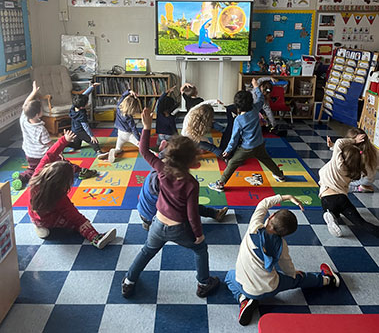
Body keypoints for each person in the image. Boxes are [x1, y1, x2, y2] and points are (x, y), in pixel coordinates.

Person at [122, 108, 220, 299]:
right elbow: (192, 215)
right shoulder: (191, 183)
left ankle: (128, 282)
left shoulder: (161, 168)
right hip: (179, 229)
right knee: (201, 250)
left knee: (146, 251)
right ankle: (203, 283)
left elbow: (143, 150)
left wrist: (147, 127)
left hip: (157, 224)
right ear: (191, 161)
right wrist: (198, 235)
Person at [225, 194, 340, 326]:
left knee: (229, 276)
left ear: (271, 216)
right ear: (284, 234)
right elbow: (288, 268)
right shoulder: (281, 245)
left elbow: (263, 203)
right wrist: (294, 273)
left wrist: (288, 197)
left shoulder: (254, 227)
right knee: (298, 279)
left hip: (245, 286)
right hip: (271, 286)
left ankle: (243, 298)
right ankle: (327, 279)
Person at [28, 129, 116, 248]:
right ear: (63, 183)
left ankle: (39, 226)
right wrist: (86, 224)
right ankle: (96, 238)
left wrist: (64, 140)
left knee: (63, 217)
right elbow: (73, 214)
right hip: (50, 221)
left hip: (35, 216)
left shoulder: (37, 174)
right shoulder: (58, 197)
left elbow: (50, 155)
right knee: (74, 222)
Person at [12, 81, 96, 191]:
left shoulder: (23, 119)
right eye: (41, 109)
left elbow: (25, 104)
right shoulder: (41, 129)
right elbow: (50, 145)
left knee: (35, 168)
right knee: (64, 164)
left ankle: (22, 177)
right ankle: (81, 171)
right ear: (38, 114)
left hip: (29, 154)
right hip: (43, 154)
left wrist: (33, 92)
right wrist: (59, 152)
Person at [208, 79, 285, 192]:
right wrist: (255, 87)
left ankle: (220, 184)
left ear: (237, 105)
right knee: (267, 160)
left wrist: (228, 150)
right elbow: (261, 98)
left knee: (233, 163)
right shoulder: (255, 108)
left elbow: (234, 139)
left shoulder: (239, 120)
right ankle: (280, 175)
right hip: (259, 144)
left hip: (247, 148)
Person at [320, 133, 379, 238]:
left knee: (329, 210)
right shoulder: (354, 170)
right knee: (361, 223)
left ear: (341, 156)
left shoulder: (337, 164)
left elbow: (339, 142)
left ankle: (330, 216)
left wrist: (354, 140)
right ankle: (333, 215)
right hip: (343, 199)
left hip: (327, 198)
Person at [137, 169, 228, 230]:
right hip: (157, 219)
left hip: (142, 212)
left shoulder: (153, 172)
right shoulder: (166, 186)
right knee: (188, 206)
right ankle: (214, 214)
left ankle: (147, 223)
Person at [327, 128, 378, 193]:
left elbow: (339, 147)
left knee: (338, 180)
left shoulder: (354, 153)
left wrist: (353, 140)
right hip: (369, 180)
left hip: (359, 179)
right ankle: (365, 185)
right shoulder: (372, 150)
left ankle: (359, 188)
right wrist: (333, 146)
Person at [68, 82, 106, 157]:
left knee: (76, 145)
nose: (87, 103)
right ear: (82, 107)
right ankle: (98, 152)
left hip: (74, 130)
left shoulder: (74, 106)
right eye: (86, 103)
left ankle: (64, 144)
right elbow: (86, 127)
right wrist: (91, 136)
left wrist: (92, 87)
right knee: (93, 141)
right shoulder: (82, 115)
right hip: (81, 131)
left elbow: (84, 95)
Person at [105, 89, 141, 163]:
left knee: (118, 149)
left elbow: (122, 96)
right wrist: (139, 139)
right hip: (128, 135)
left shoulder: (118, 107)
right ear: (133, 108)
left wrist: (129, 91)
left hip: (120, 133)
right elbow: (134, 129)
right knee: (142, 146)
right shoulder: (129, 117)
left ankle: (114, 151)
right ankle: (154, 154)